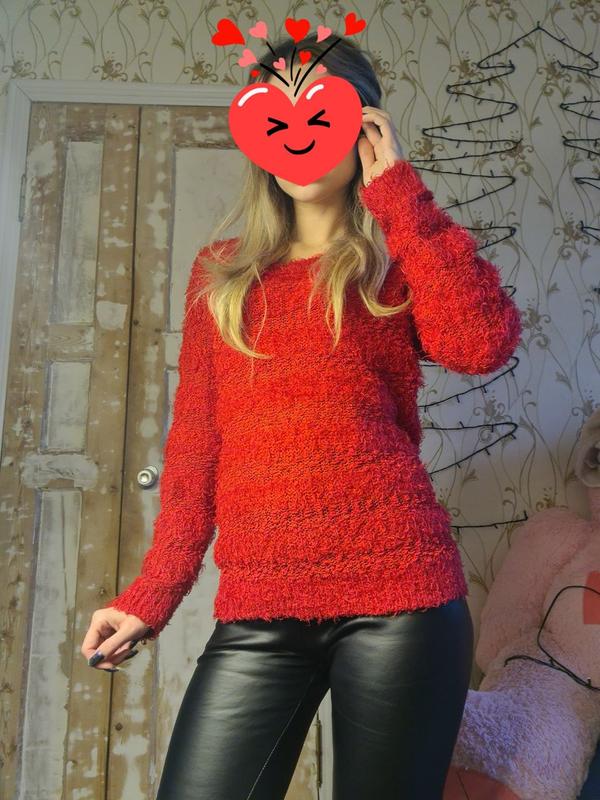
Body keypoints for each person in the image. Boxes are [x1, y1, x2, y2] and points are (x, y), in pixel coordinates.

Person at [81, 31, 521, 800]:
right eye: (275, 116)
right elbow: (196, 449)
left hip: (402, 603)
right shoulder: (219, 278)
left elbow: (482, 343)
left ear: (363, 128)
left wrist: (401, 196)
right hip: (261, 611)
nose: (297, 135)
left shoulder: (394, 267)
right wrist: (149, 595)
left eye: (320, 114)